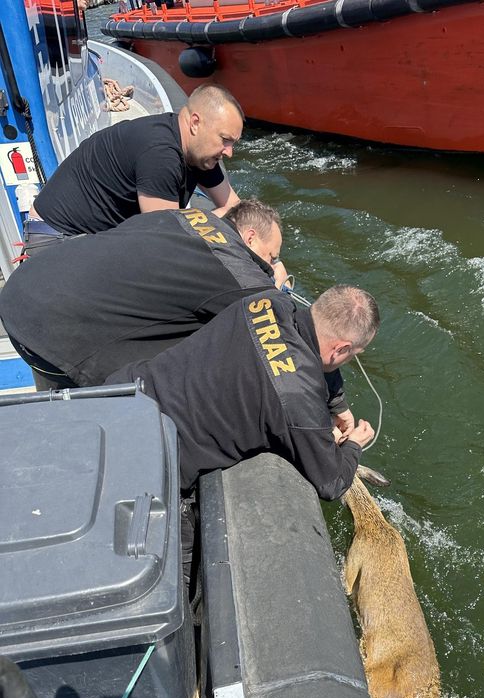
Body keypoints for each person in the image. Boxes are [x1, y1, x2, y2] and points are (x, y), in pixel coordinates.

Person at [106, 285, 379, 501]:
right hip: (147, 461)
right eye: (352, 355)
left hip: (118, 393)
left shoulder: (267, 301)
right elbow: (331, 483)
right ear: (342, 349)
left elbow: (305, 345)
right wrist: (354, 443)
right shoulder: (300, 400)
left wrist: (336, 403)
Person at [0, 200, 288, 390]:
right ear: (249, 238)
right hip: (52, 332)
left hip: (24, 292)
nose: (271, 262)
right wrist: (275, 282)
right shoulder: (234, 266)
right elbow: (281, 325)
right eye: (271, 255)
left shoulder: (185, 216)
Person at [22, 84, 244, 256]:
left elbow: (233, 206)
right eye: (225, 140)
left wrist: (269, 261)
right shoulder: (161, 154)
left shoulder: (200, 153)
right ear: (195, 123)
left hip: (92, 237)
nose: (229, 152)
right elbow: (170, 239)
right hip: (58, 238)